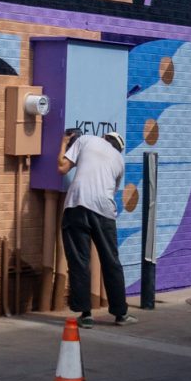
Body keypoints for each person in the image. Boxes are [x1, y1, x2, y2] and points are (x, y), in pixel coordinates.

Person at [57, 129, 137, 328]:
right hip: (104, 211)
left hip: (77, 205)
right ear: (118, 147)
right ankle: (121, 314)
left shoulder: (86, 139)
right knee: (111, 261)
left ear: (104, 138)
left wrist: (64, 141)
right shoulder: (119, 160)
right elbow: (111, 190)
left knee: (79, 261)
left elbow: (62, 168)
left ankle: (85, 315)